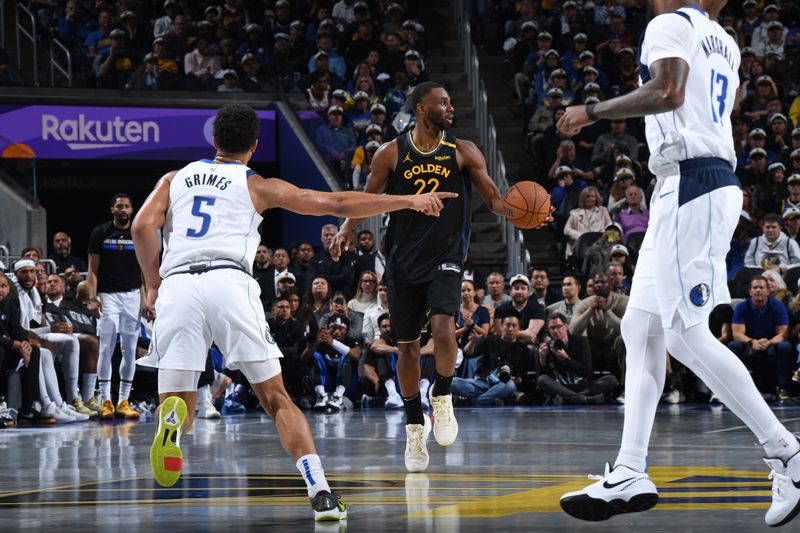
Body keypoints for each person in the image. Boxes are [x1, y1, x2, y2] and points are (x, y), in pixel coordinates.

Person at [131, 104, 455, 521]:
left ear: (213, 141)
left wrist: (153, 285)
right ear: (254, 145)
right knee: (277, 398)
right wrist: (408, 200)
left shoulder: (173, 180)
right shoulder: (256, 185)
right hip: (228, 282)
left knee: (180, 405)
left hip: (177, 285)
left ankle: (172, 422)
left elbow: (141, 227)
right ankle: (320, 492)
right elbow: (333, 203)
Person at [557, 1, 800, 526]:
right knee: (642, 331)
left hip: (689, 182)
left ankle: (785, 450)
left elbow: (668, 91)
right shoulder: (726, 41)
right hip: (696, 181)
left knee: (686, 335)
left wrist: (591, 112)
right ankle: (629, 469)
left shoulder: (669, 24)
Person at [332, 82, 548, 473]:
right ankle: (415, 425)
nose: (450, 107)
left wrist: (524, 214)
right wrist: (348, 228)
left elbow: (497, 201)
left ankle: (443, 395)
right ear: (420, 108)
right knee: (409, 350)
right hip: (401, 263)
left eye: (450, 101)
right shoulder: (391, 152)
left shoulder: (463, 150)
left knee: (445, 328)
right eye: (442, 102)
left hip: (446, 258)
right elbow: (368, 197)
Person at [87, 193, 143, 421]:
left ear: (131, 210)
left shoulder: (138, 233)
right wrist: (92, 297)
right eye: (119, 206)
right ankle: (106, 401)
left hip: (133, 296)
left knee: (130, 350)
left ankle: (123, 401)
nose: (123, 210)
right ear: (112, 209)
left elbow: (145, 270)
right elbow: (92, 270)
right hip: (107, 296)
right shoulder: (101, 232)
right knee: (106, 348)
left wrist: (147, 298)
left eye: (127, 206)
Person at [537, 313, 618, 405]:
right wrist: (542, 359)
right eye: (552, 328)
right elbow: (542, 381)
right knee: (542, 379)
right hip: (561, 387)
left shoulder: (581, 341)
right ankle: (584, 399)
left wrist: (567, 359)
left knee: (611, 380)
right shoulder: (546, 348)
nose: (555, 330)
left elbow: (587, 372)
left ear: (566, 327)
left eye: (558, 326)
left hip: (582, 386)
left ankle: (569, 399)